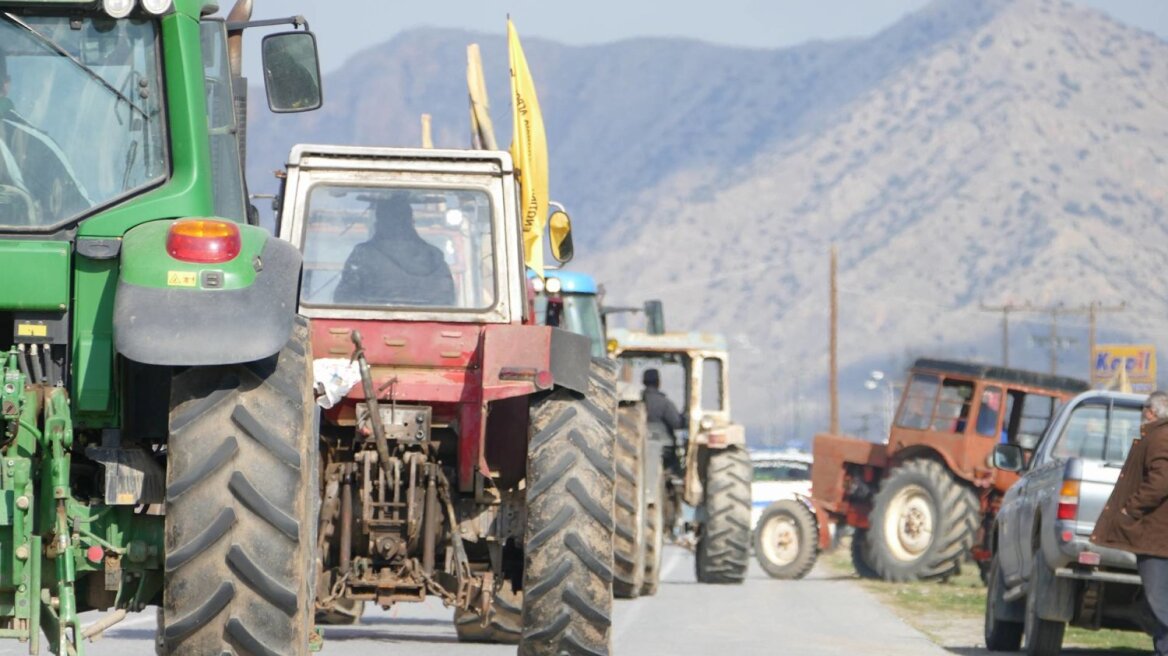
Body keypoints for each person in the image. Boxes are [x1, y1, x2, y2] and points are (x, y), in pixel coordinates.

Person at [1092, 391, 1168, 655]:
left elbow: (1160, 481)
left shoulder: (1161, 437)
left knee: (1160, 605)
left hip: (1158, 541)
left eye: (1143, 409)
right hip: (1157, 539)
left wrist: (1130, 509)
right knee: (1158, 605)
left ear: (1151, 412)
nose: (1141, 415)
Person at [333, 194, 455, 307]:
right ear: (410, 221)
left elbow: (344, 299)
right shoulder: (434, 256)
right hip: (429, 328)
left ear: (380, 222)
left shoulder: (363, 254)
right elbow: (446, 300)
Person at [643, 368, 685, 476]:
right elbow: (676, 423)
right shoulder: (665, 403)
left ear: (643, 381)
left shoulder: (635, 402)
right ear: (658, 382)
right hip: (664, 448)